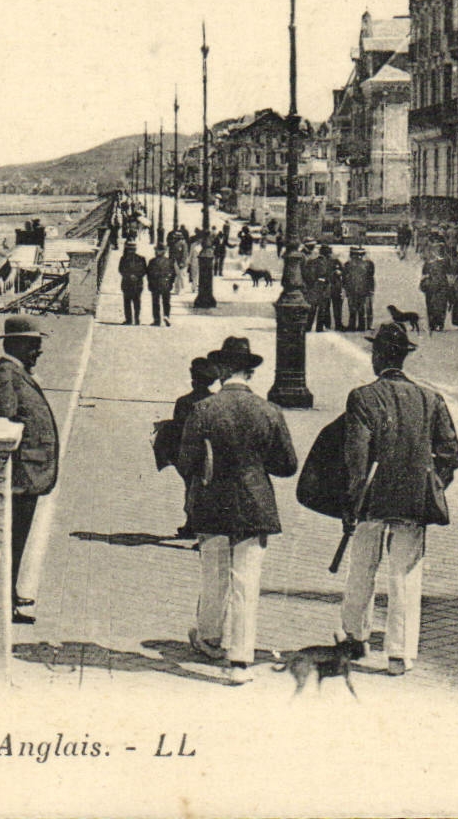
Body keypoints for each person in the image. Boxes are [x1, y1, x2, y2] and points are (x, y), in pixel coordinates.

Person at [338, 323, 458, 676]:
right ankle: (399, 655)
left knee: (362, 568)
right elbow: (450, 453)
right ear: (403, 357)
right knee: (405, 575)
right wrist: (433, 484)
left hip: (371, 497)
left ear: (378, 356)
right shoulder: (430, 399)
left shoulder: (362, 397)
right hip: (413, 501)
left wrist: (352, 500)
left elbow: (356, 457)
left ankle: (356, 638)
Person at [176, 336, 298, 684]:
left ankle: (210, 638)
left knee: (214, 574)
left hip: (212, 500)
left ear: (222, 369)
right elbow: (287, 464)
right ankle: (240, 660)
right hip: (254, 504)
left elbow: (187, 462)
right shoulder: (268, 410)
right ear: (250, 371)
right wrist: (257, 463)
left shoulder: (204, 409)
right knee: (246, 580)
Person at [0, 316, 59, 625]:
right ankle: (7, 603)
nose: (38, 351)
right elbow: (4, 426)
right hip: (20, 475)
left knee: (19, 538)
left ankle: (11, 594)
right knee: (13, 540)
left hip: (29, 473)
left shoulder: (16, 373)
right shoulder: (5, 375)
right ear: (14, 343)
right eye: (33, 344)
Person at [154, 356, 217, 537]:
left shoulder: (183, 402)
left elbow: (178, 427)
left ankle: (192, 524)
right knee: (205, 489)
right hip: (210, 452)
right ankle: (195, 525)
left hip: (189, 452)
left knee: (190, 487)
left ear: (193, 381)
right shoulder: (215, 401)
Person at [420, 239, 452, 331]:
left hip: (432, 284)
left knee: (431, 304)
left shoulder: (429, 262)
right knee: (441, 304)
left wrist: (423, 284)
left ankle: (432, 323)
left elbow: (424, 275)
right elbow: (450, 274)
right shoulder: (446, 261)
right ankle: (439, 323)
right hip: (442, 284)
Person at [341, 246, 375, 332]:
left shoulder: (347, 264)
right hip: (363, 289)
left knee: (353, 308)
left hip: (353, 289)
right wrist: (371, 289)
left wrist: (345, 288)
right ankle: (361, 326)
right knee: (361, 308)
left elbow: (344, 278)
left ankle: (352, 326)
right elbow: (371, 277)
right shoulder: (368, 263)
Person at [305, 244, 334, 332]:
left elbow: (308, 275)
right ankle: (319, 327)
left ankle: (308, 326)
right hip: (323, 287)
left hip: (313, 287)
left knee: (312, 308)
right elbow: (329, 276)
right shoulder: (328, 262)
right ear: (328, 253)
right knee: (322, 308)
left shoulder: (312, 261)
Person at [118, 241, 147, 325]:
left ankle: (135, 319)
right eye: (129, 249)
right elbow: (121, 270)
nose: (131, 251)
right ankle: (130, 319)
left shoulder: (141, 259)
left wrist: (135, 276)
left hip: (135, 283)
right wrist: (131, 276)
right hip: (130, 283)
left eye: (132, 249)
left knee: (135, 302)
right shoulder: (123, 259)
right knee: (129, 302)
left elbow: (144, 270)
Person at [146, 244, 173, 327]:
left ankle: (157, 320)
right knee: (166, 302)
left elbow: (148, 273)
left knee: (155, 302)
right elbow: (173, 274)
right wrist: (171, 283)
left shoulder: (152, 261)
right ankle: (166, 316)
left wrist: (150, 283)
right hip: (166, 284)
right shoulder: (169, 261)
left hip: (155, 284)